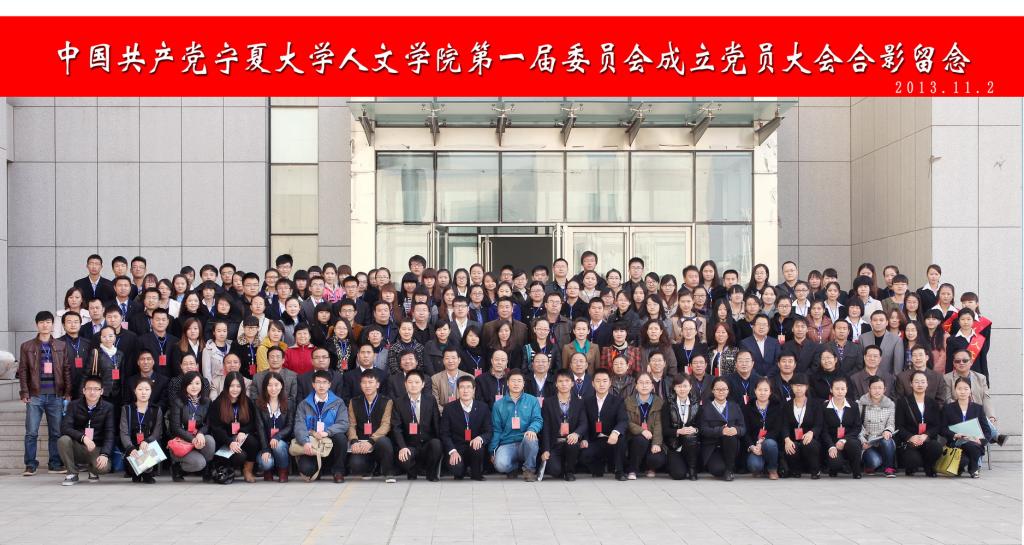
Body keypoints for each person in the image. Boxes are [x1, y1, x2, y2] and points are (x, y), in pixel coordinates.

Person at [20, 311, 72, 476]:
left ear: (52, 325)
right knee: (31, 432)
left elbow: (66, 369)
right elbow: (23, 371)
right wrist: (24, 392)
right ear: (37, 325)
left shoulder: (60, 345)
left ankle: (54, 464)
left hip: (56, 395)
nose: (45, 325)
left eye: (48, 322)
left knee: (56, 432)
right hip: (35, 395)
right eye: (42, 322)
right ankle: (30, 464)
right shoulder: (27, 346)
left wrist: (67, 392)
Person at [294, 370, 350, 483]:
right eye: (318, 382)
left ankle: (338, 471)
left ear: (329, 385)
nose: (321, 385)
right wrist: (305, 441)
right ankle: (317, 470)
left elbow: (343, 423)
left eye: (324, 382)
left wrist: (327, 432)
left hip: (330, 439)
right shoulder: (304, 404)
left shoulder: (338, 402)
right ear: (313, 385)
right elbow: (299, 425)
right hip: (312, 442)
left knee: (341, 438)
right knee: (306, 469)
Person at [58, 375, 114, 485]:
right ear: (84, 390)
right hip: (78, 446)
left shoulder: (108, 407)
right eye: (89, 389)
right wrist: (83, 438)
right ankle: (72, 473)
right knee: (63, 440)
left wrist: (104, 454)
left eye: (96, 389)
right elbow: (65, 427)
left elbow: (110, 433)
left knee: (104, 468)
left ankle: (92, 470)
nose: (92, 392)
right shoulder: (74, 405)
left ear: (101, 391)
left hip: (96, 447)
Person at [489, 369, 543, 481]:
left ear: (523, 383)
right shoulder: (498, 404)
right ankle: (513, 468)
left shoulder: (532, 400)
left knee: (531, 438)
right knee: (500, 465)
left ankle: (529, 470)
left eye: (519, 381)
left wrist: (532, 429)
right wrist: (492, 450)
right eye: (513, 381)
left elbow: (538, 419)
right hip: (507, 443)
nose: (516, 384)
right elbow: (497, 429)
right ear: (508, 383)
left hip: (525, 441)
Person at [942, 349, 1005, 446]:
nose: (961, 363)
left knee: (981, 418)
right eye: (957, 361)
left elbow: (986, 398)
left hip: (978, 414)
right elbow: (948, 399)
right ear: (954, 363)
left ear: (971, 362)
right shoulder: (947, 378)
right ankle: (996, 436)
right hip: (958, 414)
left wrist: (991, 416)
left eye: (965, 360)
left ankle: (988, 438)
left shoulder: (981, 378)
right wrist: (965, 406)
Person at [207, 372, 261, 482]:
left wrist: (243, 431)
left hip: (240, 439)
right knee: (240, 455)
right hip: (224, 441)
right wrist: (229, 442)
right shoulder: (218, 403)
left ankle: (248, 470)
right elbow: (216, 428)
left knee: (253, 442)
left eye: (238, 386)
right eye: (232, 386)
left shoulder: (246, 401)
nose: (235, 389)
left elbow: (252, 422)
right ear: (226, 386)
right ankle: (228, 468)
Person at [390, 369, 442, 481]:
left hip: (427, 443)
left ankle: (431, 473)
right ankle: (412, 471)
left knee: (437, 444)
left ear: (423, 384)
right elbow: (396, 428)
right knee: (405, 457)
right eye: (410, 382)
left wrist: (440, 441)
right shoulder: (398, 402)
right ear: (405, 384)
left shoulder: (430, 400)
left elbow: (436, 422)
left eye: (417, 382)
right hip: (410, 445)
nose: (413, 385)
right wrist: (402, 447)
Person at [347, 370, 397, 482]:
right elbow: (351, 424)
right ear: (360, 385)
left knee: (384, 442)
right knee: (356, 465)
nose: (367, 385)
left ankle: (388, 472)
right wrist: (354, 441)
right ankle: (369, 468)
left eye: (370, 382)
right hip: (361, 442)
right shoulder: (354, 402)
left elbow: (386, 425)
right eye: (364, 382)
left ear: (377, 385)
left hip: (378, 441)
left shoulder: (387, 401)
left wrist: (371, 441)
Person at [440, 376, 492, 481]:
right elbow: (444, 433)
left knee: (477, 446)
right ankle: (462, 469)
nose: (465, 390)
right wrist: (452, 451)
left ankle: (476, 473)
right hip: (457, 447)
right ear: (458, 390)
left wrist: (480, 438)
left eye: (468, 387)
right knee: (457, 471)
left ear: (474, 390)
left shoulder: (483, 407)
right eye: (462, 387)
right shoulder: (449, 408)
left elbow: (489, 431)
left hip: (475, 447)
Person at [168, 371, 217, 481]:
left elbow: (208, 424)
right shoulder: (178, 402)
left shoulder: (207, 402)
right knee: (199, 463)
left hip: (198, 438)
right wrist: (192, 439)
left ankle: (206, 470)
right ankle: (178, 468)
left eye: (197, 383)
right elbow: (175, 428)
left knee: (209, 440)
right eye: (190, 383)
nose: (194, 387)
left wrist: (200, 433)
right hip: (182, 441)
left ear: (202, 385)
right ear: (185, 385)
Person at [581, 368, 629, 480]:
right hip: (595, 439)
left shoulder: (618, 401)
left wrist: (615, 432)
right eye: (598, 381)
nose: (601, 384)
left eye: (604, 381)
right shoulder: (586, 401)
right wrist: (584, 438)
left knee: (621, 439)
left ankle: (619, 471)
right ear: (593, 384)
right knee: (584, 455)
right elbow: (584, 422)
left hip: (612, 438)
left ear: (610, 383)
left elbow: (623, 420)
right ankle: (598, 466)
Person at [540, 369, 587, 481]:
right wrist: (545, 449)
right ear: (556, 384)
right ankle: (562, 468)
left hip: (570, 440)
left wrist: (576, 434)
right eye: (560, 381)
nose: (564, 384)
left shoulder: (579, 402)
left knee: (573, 444)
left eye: (567, 381)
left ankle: (570, 472)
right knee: (554, 470)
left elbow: (584, 423)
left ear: (572, 383)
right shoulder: (548, 402)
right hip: (555, 443)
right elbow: (546, 428)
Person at [894, 371, 943, 477]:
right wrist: (910, 437)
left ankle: (929, 466)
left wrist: (927, 435)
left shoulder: (933, 403)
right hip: (910, 441)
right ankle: (912, 466)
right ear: (911, 384)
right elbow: (899, 426)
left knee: (936, 448)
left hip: (926, 440)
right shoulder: (903, 402)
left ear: (927, 384)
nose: (920, 384)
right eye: (916, 382)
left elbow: (937, 425)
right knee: (913, 460)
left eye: (922, 382)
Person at [941, 377, 992, 478]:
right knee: (962, 462)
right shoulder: (948, 408)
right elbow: (942, 429)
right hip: (956, 444)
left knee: (972, 445)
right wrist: (954, 435)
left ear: (970, 390)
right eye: (959, 389)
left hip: (974, 443)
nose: (962, 392)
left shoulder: (978, 408)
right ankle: (962, 466)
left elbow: (987, 431)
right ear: (955, 390)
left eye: (966, 388)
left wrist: (980, 440)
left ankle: (974, 469)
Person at [698, 377, 745, 481]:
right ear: (712, 390)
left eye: (724, 389)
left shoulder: (734, 406)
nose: (721, 392)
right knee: (718, 470)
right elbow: (703, 430)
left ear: (728, 390)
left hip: (731, 446)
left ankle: (729, 469)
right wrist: (720, 431)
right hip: (713, 447)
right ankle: (725, 467)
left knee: (730, 435)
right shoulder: (705, 408)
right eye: (718, 389)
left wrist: (736, 430)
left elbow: (743, 428)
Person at [119, 377, 164, 483]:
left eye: (147, 389)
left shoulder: (156, 410)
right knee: (133, 462)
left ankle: (147, 473)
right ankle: (136, 472)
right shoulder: (127, 409)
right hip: (132, 448)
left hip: (148, 446)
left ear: (151, 391)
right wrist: (130, 448)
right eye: (140, 389)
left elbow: (157, 432)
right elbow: (124, 433)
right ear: (135, 391)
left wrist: (147, 441)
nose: (143, 392)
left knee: (148, 452)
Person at [624, 373, 666, 480]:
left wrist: (656, 443)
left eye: (647, 383)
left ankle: (649, 467)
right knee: (640, 440)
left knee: (656, 460)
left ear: (652, 386)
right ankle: (632, 470)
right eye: (641, 383)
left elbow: (659, 425)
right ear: (636, 386)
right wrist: (641, 431)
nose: (644, 385)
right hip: (634, 440)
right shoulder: (628, 401)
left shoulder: (659, 402)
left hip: (652, 439)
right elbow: (626, 422)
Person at [781, 373, 822, 479]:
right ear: (792, 387)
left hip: (810, 439)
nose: (798, 388)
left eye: (801, 385)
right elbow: (784, 425)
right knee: (791, 446)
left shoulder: (815, 404)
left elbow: (819, 424)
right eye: (796, 385)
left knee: (810, 444)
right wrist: (787, 439)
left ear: (806, 387)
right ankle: (796, 470)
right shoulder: (787, 405)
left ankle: (815, 471)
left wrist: (812, 432)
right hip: (793, 439)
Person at [821, 378, 863, 478]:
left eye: (843, 389)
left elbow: (857, 427)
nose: (840, 392)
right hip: (832, 442)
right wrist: (831, 446)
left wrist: (844, 440)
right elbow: (823, 430)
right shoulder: (824, 407)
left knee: (854, 444)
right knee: (835, 463)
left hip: (848, 439)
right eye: (837, 389)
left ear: (846, 390)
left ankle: (856, 471)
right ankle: (836, 466)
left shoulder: (853, 405)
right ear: (831, 390)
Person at [255, 372, 293, 482]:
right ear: (265, 387)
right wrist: (265, 449)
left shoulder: (289, 403)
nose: (273, 388)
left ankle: (283, 471)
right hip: (265, 444)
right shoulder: (258, 404)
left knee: (279, 445)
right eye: (270, 385)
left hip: (282, 443)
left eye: (276, 385)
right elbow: (260, 428)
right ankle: (268, 471)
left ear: (281, 386)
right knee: (266, 463)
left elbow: (290, 426)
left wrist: (277, 436)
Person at [661, 374, 701, 480]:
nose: (682, 389)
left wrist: (695, 429)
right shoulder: (667, 404)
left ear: (690, 387)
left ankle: (692, 469)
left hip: (691, 446)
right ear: (674, 387)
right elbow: (664, 430)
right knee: (678, 474)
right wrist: (678, 431)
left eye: (685, 386)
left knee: (690, 436)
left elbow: (701, 427)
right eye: (679, 386)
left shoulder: (696, 404)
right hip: (674, 446)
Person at [857, 376, 897, 477]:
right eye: (874, 388)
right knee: (875, 462)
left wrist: (888, 430)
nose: (877, 391)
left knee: (888, 441)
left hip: (882, 438)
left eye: (880, 388)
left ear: (884, 389)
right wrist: (863, 441)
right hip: (868, 441)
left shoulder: (890, 404)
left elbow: (891, 423)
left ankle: (889, 468)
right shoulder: (861, 404)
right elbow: (857, 425)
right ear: (869, 389)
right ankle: (870, 464)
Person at [743, 378, 781, 479]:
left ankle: (772, 469)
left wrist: (763, 440)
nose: (762, 393)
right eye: (759, 390)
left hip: (770, 443)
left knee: (769, 444)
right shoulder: (748, 408)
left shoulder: (777, 407)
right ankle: (762, 468)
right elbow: (745, 431)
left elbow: (777, 430)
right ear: (755, 391)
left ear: (770, 392)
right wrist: (752, 446)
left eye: (765, 390)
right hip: (755, 445)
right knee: (754, 466)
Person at [866, 310, 905, 376]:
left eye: (881, 320)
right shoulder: (863, 338)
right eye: (875, 320)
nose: (878, 323)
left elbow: (898, 368)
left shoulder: (897, 340)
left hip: (887, 379)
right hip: (866, 378)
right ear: (871, 322)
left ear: (887, 322)